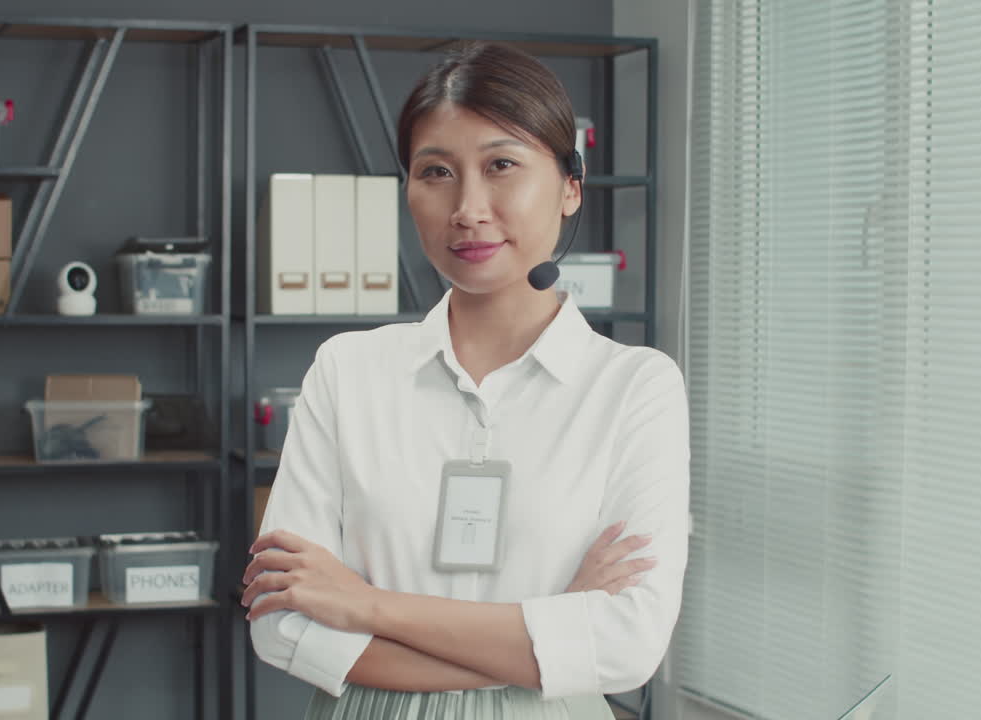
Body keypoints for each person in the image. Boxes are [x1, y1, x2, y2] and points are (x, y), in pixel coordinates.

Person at [241, 41, 690, 719]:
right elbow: (284, 624)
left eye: (501, 165)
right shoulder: (347, 369)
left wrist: (366, 606)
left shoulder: (634, 387)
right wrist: (553, 627)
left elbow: (627, 647)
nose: (468, 207)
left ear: (571, 187)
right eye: (436, 172)